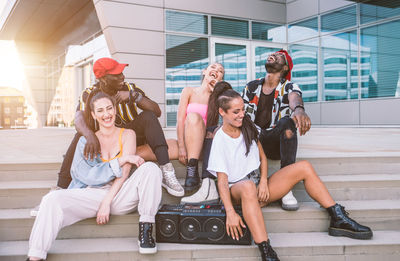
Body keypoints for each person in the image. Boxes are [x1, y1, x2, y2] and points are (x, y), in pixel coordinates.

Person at [207, 87, 372, 261]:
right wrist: (230, 212)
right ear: (222, 112)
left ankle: (338, 217)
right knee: (247, 186)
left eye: (242, 109)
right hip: (237, 191)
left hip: (257, 186)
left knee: (304, 167)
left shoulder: (247, 127)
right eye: (236, 111)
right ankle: (266, 250)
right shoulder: (220, 139)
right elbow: (222, 182)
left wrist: (263, 181)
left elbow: (262, 158)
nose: (242, 114)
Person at [27, 92, 162, 260]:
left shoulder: (128, 134)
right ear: (93, 114)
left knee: (151, 168)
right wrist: (120, 160)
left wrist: (107, 202)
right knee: (51, 198)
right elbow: (85, 175)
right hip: (91, 195)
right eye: (100, 111)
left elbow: (125, 173)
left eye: (109, 108)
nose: (106, 114)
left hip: (119, 195)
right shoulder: (85, 142)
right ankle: (35, 256)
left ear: (115, 109)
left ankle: (146, 230)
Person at [58, 57, 183, 197]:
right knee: (80, 136)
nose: (122, 77)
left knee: (148, 116)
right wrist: (90, 135)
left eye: (122, 73)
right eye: (117, 75)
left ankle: (166, 171)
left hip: (131, 136)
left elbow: (156, 112)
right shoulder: (90, 93)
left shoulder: (129, 88)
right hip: (106, 140)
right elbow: (78, 119)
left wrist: (134, 96)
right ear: (104, 79)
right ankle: (61, 188)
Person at [242, 49, 311, 211]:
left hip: (273, 142)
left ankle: (285, 188)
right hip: (252, 140)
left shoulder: (289, 86)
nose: (273, 54)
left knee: (288, 123)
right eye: (272, 53)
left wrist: (299, 109)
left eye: (279, 55)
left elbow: (294, 96)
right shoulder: (251, 86)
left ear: (285, 67)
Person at [175, 63, 224, 195]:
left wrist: (216, 94)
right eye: (213, 68)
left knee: (193, 117)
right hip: (186, 140)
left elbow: (217, 125)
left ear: (220, 79)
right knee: (152, 150)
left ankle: (191, 171)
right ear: (204, 71)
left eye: (220, 71)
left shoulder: (217, 98)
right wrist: (181, 147)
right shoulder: (188, 91)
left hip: (203, 143)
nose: (216, 71)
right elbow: (180, 120)